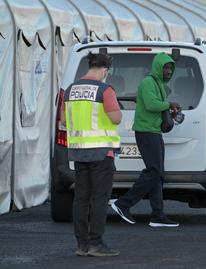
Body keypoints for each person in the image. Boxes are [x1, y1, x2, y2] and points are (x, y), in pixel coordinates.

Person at [61, 52, 121, 257]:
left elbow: (63, 120)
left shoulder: (70, 90)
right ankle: (96, 244)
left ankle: (82, 245)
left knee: (81, 199)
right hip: (101, 153)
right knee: (99, 200)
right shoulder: (105, 90)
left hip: (79, 153)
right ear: (105, 70)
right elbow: (115, 118)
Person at [111, 52, 181, 228]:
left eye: (171, 68)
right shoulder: (148, 83)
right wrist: (169, 104)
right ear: (158, 67)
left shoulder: (159, 84)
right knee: (154, 171)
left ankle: (158, 215)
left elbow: (157, 104)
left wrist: (168, 107)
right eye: (165, 67)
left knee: (158, 174)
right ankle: (123, 203)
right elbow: (151, 104)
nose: (168, 71)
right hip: (146, 132)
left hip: (154, 131)